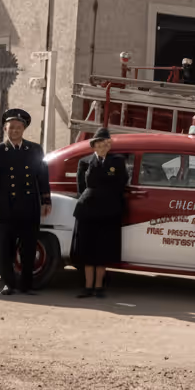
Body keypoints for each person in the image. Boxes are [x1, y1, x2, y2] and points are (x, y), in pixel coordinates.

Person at [0, 108, 52, 296]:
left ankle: (26, 285)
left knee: (29, 247)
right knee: (5, 247)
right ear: (5, 129)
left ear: (24, 129)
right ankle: (9, 283)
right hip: (5, 207)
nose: (14, 131)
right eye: (11, 127)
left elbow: (42, 176)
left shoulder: (35, 149)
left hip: (29, 205)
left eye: (18, 127)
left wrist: (46, 200)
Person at [71, 127, 128, 299]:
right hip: (88, 209)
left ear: (109, 145)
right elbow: (81, 186)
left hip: (108, 210)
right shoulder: (85, 162)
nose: (102, 146)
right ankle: (88, 287)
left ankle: (99, 288)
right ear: (93, 146)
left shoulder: (117, 161)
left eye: (105, 143)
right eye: (99, 143)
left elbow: (122, 182)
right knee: (87, 250)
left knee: (103, 251)